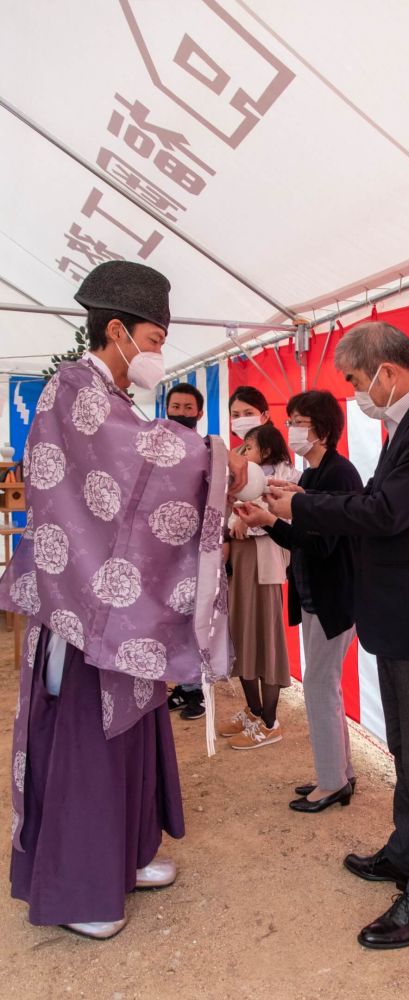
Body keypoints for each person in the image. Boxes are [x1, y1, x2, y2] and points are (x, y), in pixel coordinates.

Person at [1, 261, 238, 940]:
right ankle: (80, 888)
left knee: (129, 734)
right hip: (81, 610)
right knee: (85, 742)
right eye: (154, 336)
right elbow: (138, 466)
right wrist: (221, 460)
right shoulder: (73, 391)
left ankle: (125, 858)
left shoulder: (104, 397)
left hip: (106, 603)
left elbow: (139, 477)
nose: (159, 352)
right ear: (116, 330)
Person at [267, 322, 409, 948]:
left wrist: (297, 506)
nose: (357, 393)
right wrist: (299, 500)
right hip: (400, 615)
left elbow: (386, 513)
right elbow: (381, 506)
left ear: (385, 369)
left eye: (356, 381)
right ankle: (406, 852)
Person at [236, 390, 363, 812]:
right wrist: (276, 516)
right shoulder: (312, 475)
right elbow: (300, 540)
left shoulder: (339, 474)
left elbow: (322, 544)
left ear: (322, 429)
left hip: (333, 598)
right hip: (315, 596)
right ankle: (338, 773)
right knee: (324, 686)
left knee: (320, 688)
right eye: (289, 419)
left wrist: (278, 516)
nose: (291, 428)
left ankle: (332, 781)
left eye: (299, 421)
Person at [220, 423, 300, 749]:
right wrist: (231, 518)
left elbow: (284, 518)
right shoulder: (238, 477)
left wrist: (245, 518)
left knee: (264, 639)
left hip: (263, 567)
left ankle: (270, 721)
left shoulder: (288, 477)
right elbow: (223, 511)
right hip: (238, 566)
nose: (242, 452)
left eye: (248, 446)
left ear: (266, 449)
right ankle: (253, 712)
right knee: (241, 637)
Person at [165, 382, 206, 721]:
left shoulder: (205, 451)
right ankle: (180, 684)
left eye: (187, 408)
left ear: (199, 413)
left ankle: (194, 690)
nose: (180, 413)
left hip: (193, 550)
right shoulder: (153, 450)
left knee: (190, 618)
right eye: (175, 407)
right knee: (165, 616)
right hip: (160, 549)